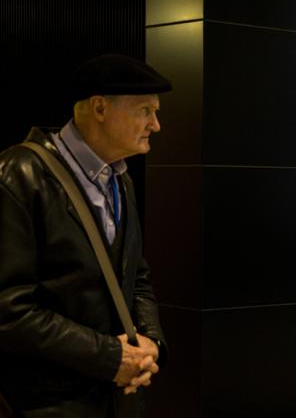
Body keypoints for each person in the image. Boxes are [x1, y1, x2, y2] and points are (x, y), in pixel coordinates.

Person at [0, 53, 170, 417]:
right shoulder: (18, 175)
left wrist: (150, 345)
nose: (156, 125)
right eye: (145, 110)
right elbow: (9, 310)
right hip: (46, 403)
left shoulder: (120, 179)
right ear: (99, 108)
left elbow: (136, 277)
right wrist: (111, 358)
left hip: (117, 397)